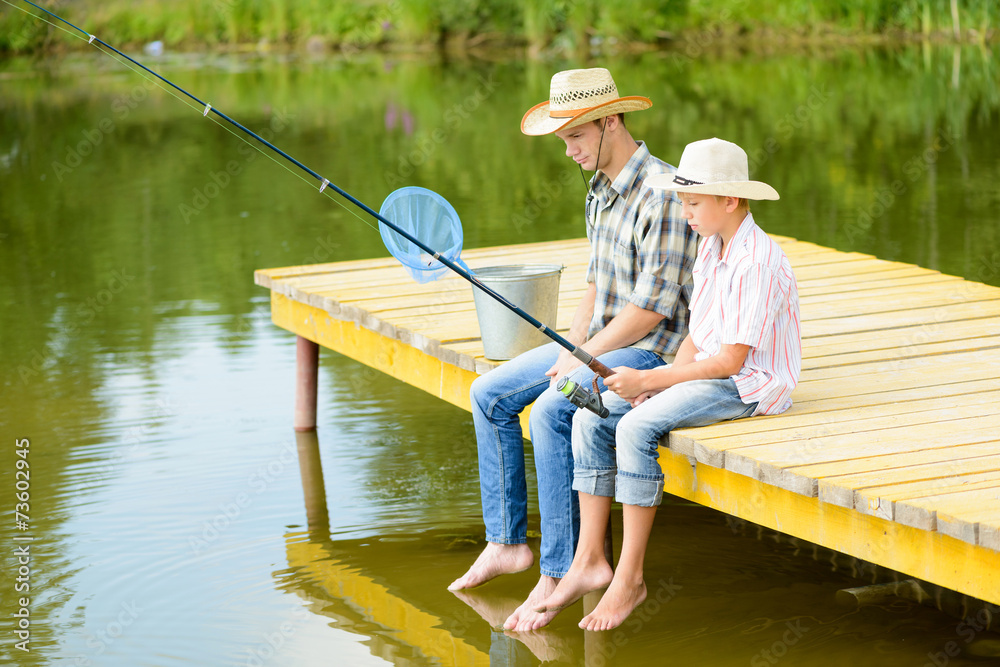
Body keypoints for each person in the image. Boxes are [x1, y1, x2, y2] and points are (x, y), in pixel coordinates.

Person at [448, 68, 699, 633]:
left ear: (610, 121)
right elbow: (595, 281)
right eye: (564, 140)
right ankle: (508, 543)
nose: (569, 152)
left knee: (553, 409)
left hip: (652, 354)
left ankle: (562, 569)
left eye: (576, 137)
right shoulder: (598, 188)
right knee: (488, 392)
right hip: (604, 345)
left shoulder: (661, 193)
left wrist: (584, 359)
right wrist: (574, 342)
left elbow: (652, 309)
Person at [534, 137, 802, 631]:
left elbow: (728, 362)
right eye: (682, 201)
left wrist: (653, 379)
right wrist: (655, 387)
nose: (686, 212)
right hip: (711, 370)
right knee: (589, 418)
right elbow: (696, 338)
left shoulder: (756, 261)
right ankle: (589, 559)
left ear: (731, 200)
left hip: (750, 386)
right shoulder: (709, 247)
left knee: (635, 429)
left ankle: (630, 578)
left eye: (694, 202)